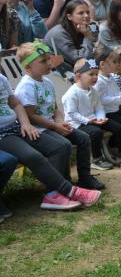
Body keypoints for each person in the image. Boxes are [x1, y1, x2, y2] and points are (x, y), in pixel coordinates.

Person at [0, 69, 100, 211]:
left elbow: (16, 104)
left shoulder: (1, 79)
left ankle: (54, 194)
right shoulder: (27, 85)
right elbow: (31, 112)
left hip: (17, 127)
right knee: (33, 155)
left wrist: (25, 123)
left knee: (59, 147)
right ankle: (70, 191)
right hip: (3, 135)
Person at [15, 42, 103, 191]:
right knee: (63, 145)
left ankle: (84, 177)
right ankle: (61, 184)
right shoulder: (26, 86)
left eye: (49, 59)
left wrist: (61, 122)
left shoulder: (47, 82)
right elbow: (30, 116)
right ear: (28, 67)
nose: (49, 63)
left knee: (83, 138)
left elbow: (54, 108)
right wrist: (55, 126)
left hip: (51, 125)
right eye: (43, 61)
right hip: (37, 130)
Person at [62, 58, 121, 171]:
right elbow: (72, 113)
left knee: (117, 126)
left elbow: (99, 106)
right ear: (79, 76)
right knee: (96, 132)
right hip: (77, 123)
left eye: (96, 74)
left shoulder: (92, 90)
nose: (95, 77)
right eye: (91, 74)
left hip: (93, 119)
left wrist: (100, 118)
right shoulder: (72, 93)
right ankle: (96, 159)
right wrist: (88, 121)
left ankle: (116, 150)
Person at [92, 46, 121, 165]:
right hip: (105, 112)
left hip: (115, 109)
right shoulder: (99, 81)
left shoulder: (111, 77)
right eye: (114, 62)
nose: (117, 64)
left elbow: (114, 92)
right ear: (102, 64)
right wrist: (119, 97)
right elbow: (100, 100)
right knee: (120, 126)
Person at [44, 0, 96, 70]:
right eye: (81, 13)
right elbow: (81, 60)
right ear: (69, 17)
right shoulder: (59, 34)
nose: (86, 16)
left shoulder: (85, 28)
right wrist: (87, 37)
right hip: (56, 72)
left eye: (88, 12)